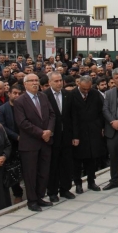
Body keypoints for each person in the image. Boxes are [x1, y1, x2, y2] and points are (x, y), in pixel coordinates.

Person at [14, 74, 55, 211]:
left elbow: (51, 115)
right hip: (30, 143)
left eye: (36, 80)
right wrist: (41, 133)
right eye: (31, 81)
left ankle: (39, 197)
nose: (35, 83)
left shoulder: (43, 96)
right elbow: (23, 123)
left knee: (44, 171)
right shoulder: (20, 101)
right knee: (30, 173)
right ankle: (31, 201)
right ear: (25, 84)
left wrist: (49, 130)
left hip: (46, 141)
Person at [69, 75, 106, 193]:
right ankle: (78, 184)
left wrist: (101, 126)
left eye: (88, 89)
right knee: (78, 160)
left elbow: (101, 112)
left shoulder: (95, 94)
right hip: (78, 132)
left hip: (93, 131)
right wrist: (74, 135)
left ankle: (91, 182)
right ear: (78, 84)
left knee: (92, 158)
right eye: (83, 89)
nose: (86, 91)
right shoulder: (72, 95)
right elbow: (71, 116)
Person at [43, 73, 77, 201]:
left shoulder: (68, 94)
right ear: (50, 82)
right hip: (53, 136)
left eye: (60, 80)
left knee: (66, 163)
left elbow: (73, 116)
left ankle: (65, 189)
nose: (59, 83)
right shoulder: (45, 95)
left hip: (67, 136)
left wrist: (75, 135)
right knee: (53, 165)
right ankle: (52, 191)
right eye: (56, 81)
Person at [0, 84, 25, 204]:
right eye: (14, 93)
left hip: (26, 141)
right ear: (9, 94)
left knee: (28, 168)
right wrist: (16, 137)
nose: (17, 96)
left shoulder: (25, 107)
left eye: (19, 93)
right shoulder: (3, 109)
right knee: (13, 170)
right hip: (11, 143)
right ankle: (17, 194)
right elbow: (3, 126)